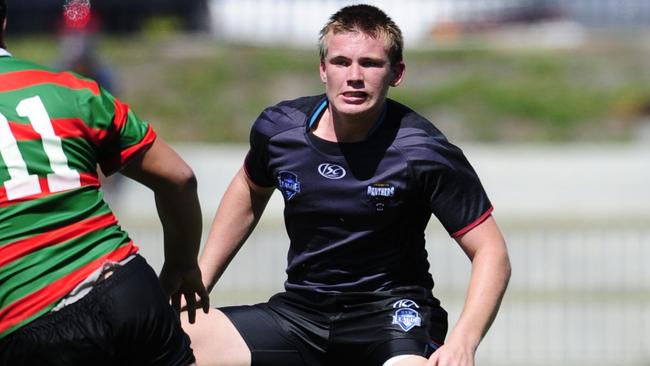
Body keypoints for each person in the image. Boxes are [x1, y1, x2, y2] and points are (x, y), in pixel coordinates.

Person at [183, 4, 510, 366]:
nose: (354, 76)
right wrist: (200, 280)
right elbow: (250, 188)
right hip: (302, 313)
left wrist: (464, 340)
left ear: (396, 73)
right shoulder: (279, 131)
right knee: (174, 338)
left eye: (370, 64)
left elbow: (491, 252)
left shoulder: (424, 152)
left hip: (393, 317)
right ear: (323, 69)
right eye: (341, 62)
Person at [0, 1, 209, 364]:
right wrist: (182, 264)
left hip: (31, 320)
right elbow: (179, 177)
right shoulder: (71, 89)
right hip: (126, 287)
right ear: (4, 22)